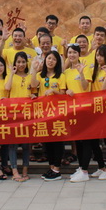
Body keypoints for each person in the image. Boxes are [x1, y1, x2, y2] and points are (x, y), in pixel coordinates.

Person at [72, 45, 106, 182]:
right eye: (97, 55)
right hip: (94, 109)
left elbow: (104, 90)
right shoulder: (95, 71)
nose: (99, 58)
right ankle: (101, 166)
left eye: (102, 55)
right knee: (93, 140)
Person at [31, 51, 67, 181]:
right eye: (49, 58)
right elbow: (33, 86)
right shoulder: (40, 75)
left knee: (57, 141)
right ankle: (51, 167)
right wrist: (34, 70)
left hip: (57, 113)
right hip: (44, 113)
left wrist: (53, 91)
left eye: (53, 59)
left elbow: (63, 94)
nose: (50, 61)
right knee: (48, 142)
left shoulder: (61, 76)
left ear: (57, 62)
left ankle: (57, 169)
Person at [5, 52, 32, 181]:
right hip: (13, 115)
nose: (21, 64)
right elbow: (7, 87)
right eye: (18, 62)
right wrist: (11, 73)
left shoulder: (30, 76)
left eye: (23, 62)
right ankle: (15, 171)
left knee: (26, 145)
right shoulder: (10, 76)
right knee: (13, 145)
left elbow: (34, 90)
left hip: (27, 115)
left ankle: (25, 170)